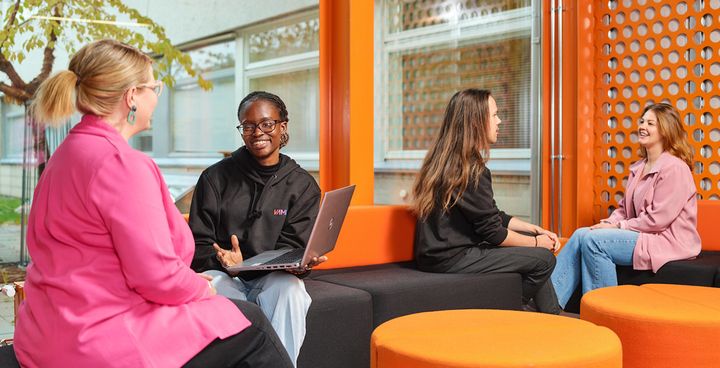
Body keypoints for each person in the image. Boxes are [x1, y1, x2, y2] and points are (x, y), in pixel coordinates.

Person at [13, 39, 292, 368]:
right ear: (131, 96)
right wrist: (197, 288)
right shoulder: (121, 164)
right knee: (253, 324)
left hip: (46, 333)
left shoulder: (64, 156)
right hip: (97, 338)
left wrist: (184, 281)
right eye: (153, 87)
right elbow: (156, 278)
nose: (156, 97)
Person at [189, 91, 323, 366]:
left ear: (282, 127)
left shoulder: (302, 186)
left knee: (291, 290)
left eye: (266, 124)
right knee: (213, 287)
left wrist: (301, 264)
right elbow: (196, 247)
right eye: (247, 126)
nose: (257, 132)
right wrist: (224, 261)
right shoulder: (214, 178)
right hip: (225, 275)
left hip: (271, 278)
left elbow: (294, 248)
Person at [412, 88, 562, 314]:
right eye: (494, 115)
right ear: (475, 123)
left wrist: (533, 229)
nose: (499, 121)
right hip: (453, 258)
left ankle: (553, 316)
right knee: (544, 259)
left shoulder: (445, 162)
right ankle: (506, 306)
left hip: (435, 255)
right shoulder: (470, 170)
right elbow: (493, 232)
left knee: (534, 245)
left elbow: (491, 215)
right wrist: (536, 244)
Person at [551, 103, 701, 308]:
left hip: (666, 240)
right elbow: (623, 209)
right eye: (642, 121)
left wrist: (617, 227)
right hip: (644, 233)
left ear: (666, 130)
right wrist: (608, 222)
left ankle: (604, 311)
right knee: (581, 235)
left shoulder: (675, 168)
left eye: (650, 123)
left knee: (595, 242)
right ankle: (548, 303)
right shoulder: (639, 168)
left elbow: (658, 220)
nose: (642, 126)